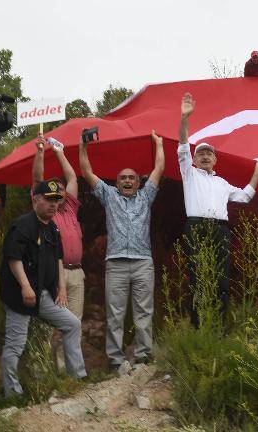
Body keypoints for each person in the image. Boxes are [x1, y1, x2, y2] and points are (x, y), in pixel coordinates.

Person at [177, 93, 258, 327]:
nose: (204, 156)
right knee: (198, 277)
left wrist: (256, 174)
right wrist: (185, 118)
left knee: (221, 279)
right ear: (194, 159)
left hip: (220, 230)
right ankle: (198, 328)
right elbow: (183, 147)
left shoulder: (222, 183)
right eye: (201, 154)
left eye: (209, 154)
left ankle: (219, 326)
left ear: (215, 159)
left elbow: (245, 196)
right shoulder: (189, 174)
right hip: (196, 227)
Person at [79, 130, 164, 370]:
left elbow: (158, 169)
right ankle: (116, 362)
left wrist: (158, 144)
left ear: (139, 183)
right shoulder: (109, 196)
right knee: (115, 315)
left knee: (144, 313)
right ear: (116, 183)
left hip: (142, 263)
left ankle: (144, 357)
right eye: (123, 178)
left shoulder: (146, 197)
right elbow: (86, 171)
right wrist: (82, 147)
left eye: (132, 178)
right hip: (116, 264)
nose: (127, 181)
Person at [0, 180, 86, 397]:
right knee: (15, 345)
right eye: (48, 199)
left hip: (43, 294)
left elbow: (58, 258)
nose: (53, 204)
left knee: (72, 324)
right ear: (35, 199)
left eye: (57, 199)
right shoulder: (23, 225)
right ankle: (12, 394)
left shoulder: (53, 227)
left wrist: (62, 288)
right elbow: (13, 258)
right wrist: (25, 287)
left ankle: (78, 377)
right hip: (20, 296)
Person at [32, 136, 85, 371]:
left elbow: (72, 177)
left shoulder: (71, 207)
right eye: (55, 192)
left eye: (62, 191)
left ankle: (72, 371)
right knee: (59, 323)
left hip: (77, 273)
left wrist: (60, 151)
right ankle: (58, 370)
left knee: (75, 323)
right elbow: (37, 180)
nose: (60, 194)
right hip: (58, 273)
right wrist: (42, 152)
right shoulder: (48, 211)